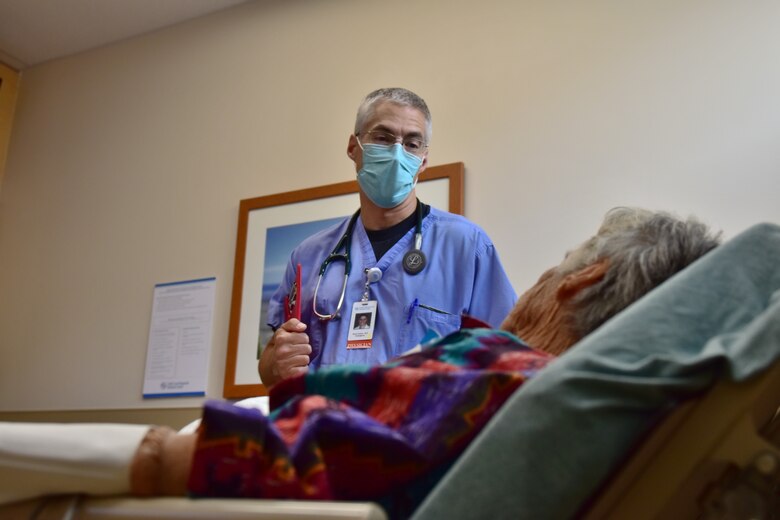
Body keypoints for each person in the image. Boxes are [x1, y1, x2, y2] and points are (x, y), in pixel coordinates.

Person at [0, 207, 721, 514]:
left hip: (223, 461)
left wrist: (157, 455)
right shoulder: (585, 413)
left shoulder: (502, 371)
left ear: (582, 283)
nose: (538, 276)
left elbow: (301, 458)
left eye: (558, 261)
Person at [259, 88, 517, 387]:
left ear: (423, 160)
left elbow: (510, 358)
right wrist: (277, 362)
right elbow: (270, 368)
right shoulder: (309, 255)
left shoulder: (466, 246)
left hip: (420, 418)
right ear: (353, 147)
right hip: (322, 415)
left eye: (411, 144)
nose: (397, 153)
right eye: (383, 138)